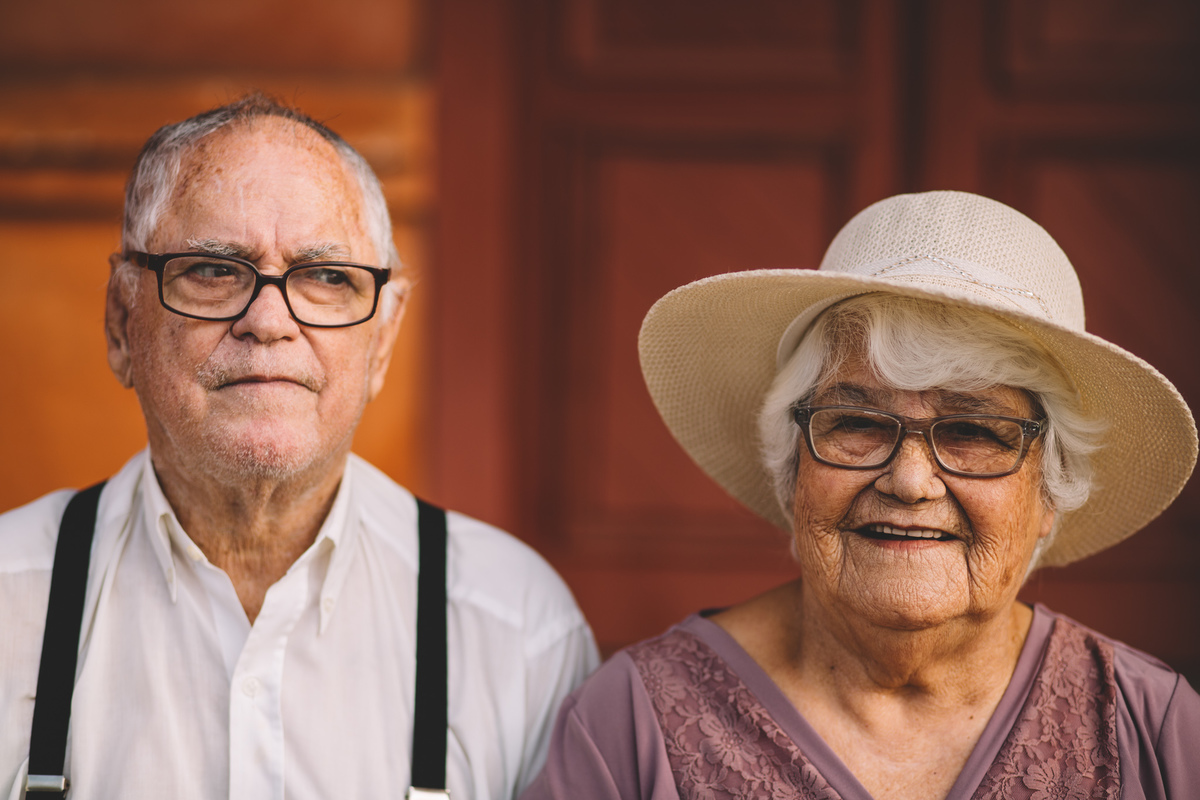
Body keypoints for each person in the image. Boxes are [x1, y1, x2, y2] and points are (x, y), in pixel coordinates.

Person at [0, 94, 598, 800]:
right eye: (215, 270)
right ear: (121, 321)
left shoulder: (517, 627)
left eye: (326, 278)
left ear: (382, 342)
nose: (269, 320)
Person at [523, 191, 1200, 800]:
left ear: (1049, 488)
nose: (909, 481)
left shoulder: (1149, 725)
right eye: (855, 424)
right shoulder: (633, 723)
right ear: (794, 471)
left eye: (970, 431)